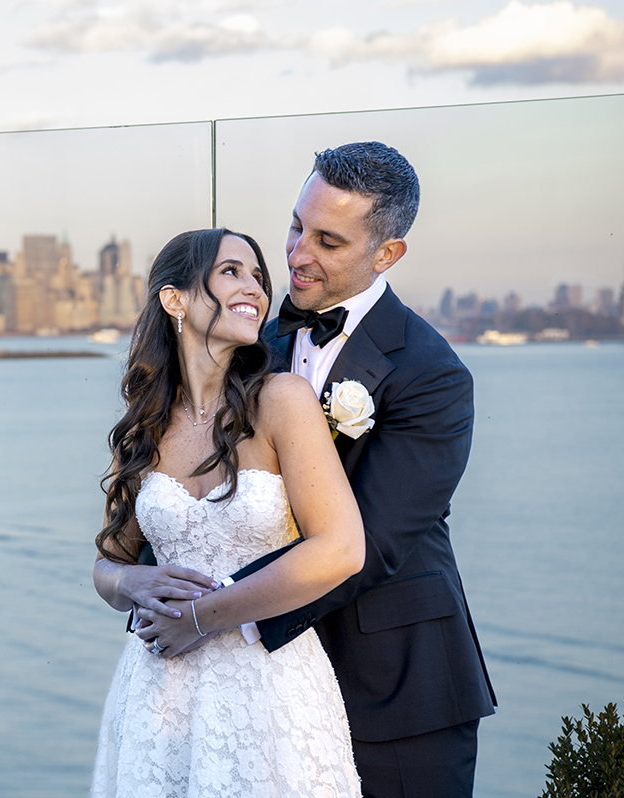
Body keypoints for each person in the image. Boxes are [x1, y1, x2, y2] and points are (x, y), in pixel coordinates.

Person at [118, 142, 497, 798]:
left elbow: (366, 548)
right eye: (295, 226)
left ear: (387, 254)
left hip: (394, 689)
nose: (296, 254)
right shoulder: (251, 342)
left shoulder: (433, 376)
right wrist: (156, 587)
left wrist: (207, 614)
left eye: (327, 240)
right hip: (261, 688)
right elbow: (190, 488)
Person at [91, 227, 365, 797]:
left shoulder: (282, 401)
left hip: (269, 689)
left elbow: (340, 549)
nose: (256, 290)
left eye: (258, 276)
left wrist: (198, 617)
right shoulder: (143, 426)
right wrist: (131, 580)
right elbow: (105, 566)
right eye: (231, 272)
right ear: (175, 300)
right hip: (158, 693)